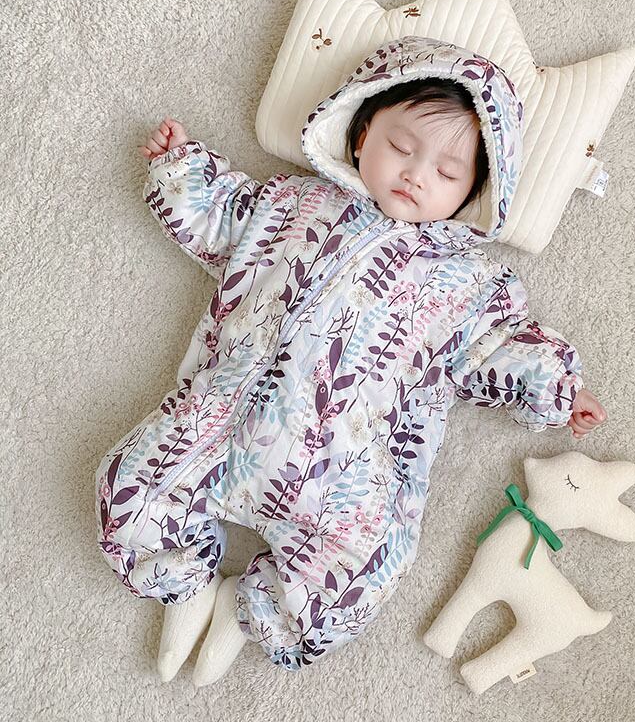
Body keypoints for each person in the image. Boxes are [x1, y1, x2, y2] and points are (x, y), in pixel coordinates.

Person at [96, 35, 607, 687]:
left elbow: (497, 348)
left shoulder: (470, 285)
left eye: (448, 173)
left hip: (348, 470)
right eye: (402, 147)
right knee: (131, 491)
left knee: (355, 576)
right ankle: (185, 586)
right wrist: (181, 170)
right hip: (222, 417)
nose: (417, 174)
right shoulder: (294, 204)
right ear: (362, 135)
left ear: (477, 191)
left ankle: (245, 614)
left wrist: (560, 388)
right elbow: (226, 219)